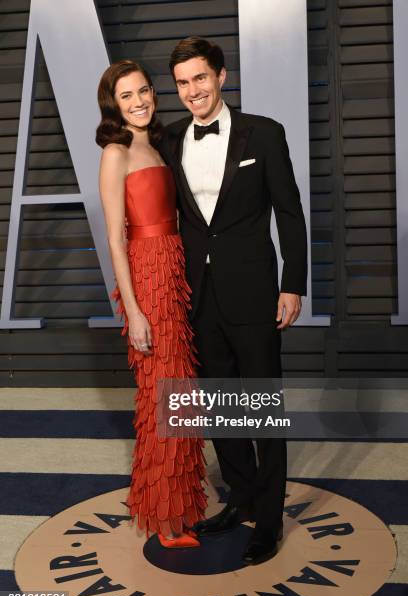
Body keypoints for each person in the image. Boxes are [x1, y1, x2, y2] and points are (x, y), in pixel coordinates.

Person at [162, 37, 308, 565]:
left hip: (254, 294)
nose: (192, 90)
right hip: (198, 299)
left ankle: (268, 520)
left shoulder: (264, 133)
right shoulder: (170, 137)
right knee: (222, 410)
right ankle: (241, 497)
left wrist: (293, 283)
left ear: (221, 76)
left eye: (201, 78)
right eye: (182, 82)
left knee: (263, 411)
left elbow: (290, 212)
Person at [96, 59, 207, 548]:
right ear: (113, 105)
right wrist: (135, 311)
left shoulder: (155, 144)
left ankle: (172, 508)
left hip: (173, 269)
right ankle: (164, 521)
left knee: (177, 394)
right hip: (147, 276)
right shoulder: (115, 152)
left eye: (143, 91)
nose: (139, 101)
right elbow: (115, 240)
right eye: (127, 96)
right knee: (162, 394)